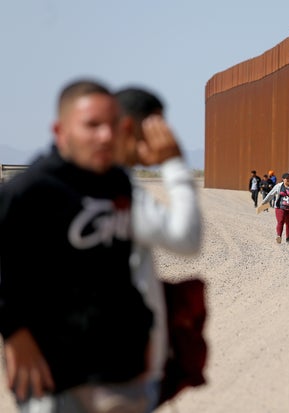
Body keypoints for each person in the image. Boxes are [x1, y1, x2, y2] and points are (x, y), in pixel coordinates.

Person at [0, 79, 154, 412]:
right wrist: (14, 332)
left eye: (112, 125)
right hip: (53, 372)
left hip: (117, 370)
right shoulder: (30, 191)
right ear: (60, 130)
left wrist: (143, 331)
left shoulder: (118, 183)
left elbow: (119, 270)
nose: (106, 136)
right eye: (92, 125)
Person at [115, 86, 203, 406]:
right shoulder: (113, 190)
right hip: (121, 375)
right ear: (134, 127)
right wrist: (174, 165)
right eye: (157, 127)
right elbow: (187, 238)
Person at [260, 172, 289, 244]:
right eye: (286, 178)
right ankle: (279, 236)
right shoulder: (278, 186)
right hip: (280, 207)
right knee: (280, 221)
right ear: (283, 179)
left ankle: (288, 238)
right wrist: (264, 202)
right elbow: (271, 194)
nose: (288, 180)